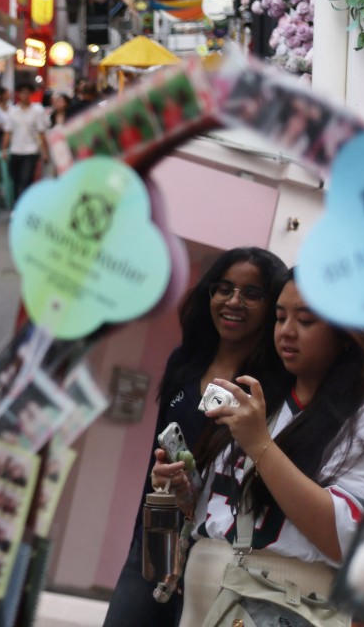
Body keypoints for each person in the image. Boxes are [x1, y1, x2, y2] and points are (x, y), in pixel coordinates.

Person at [154, 269, 364, 626]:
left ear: (345, 333)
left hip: (281, 601)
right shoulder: (258, 397)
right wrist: (184, 489)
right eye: (280, 317)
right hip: (205, 593)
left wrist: (261, 445)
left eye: (305, 320)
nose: (286, 331)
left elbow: (344, 538)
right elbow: (213, 512)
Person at [103, 247, 289, 627]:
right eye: (224, 288)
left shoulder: (270, 388)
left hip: (215, 550)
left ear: (271, 306)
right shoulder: (185, 361)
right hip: (158, 532)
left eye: (252, 293)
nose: (234, 301)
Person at [0, 84, 47, 199]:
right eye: (22, 93)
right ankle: (18, 206)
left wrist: (45, 152)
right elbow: (7, 132)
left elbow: (41, 133)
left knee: (25, 180)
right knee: (16, 181)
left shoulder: (37, 111)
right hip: (15, 150)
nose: (24, 96)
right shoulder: (12, 112)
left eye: (26, 93)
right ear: (18, 95)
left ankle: (23, 206)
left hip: (31, 150)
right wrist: (4, 149)